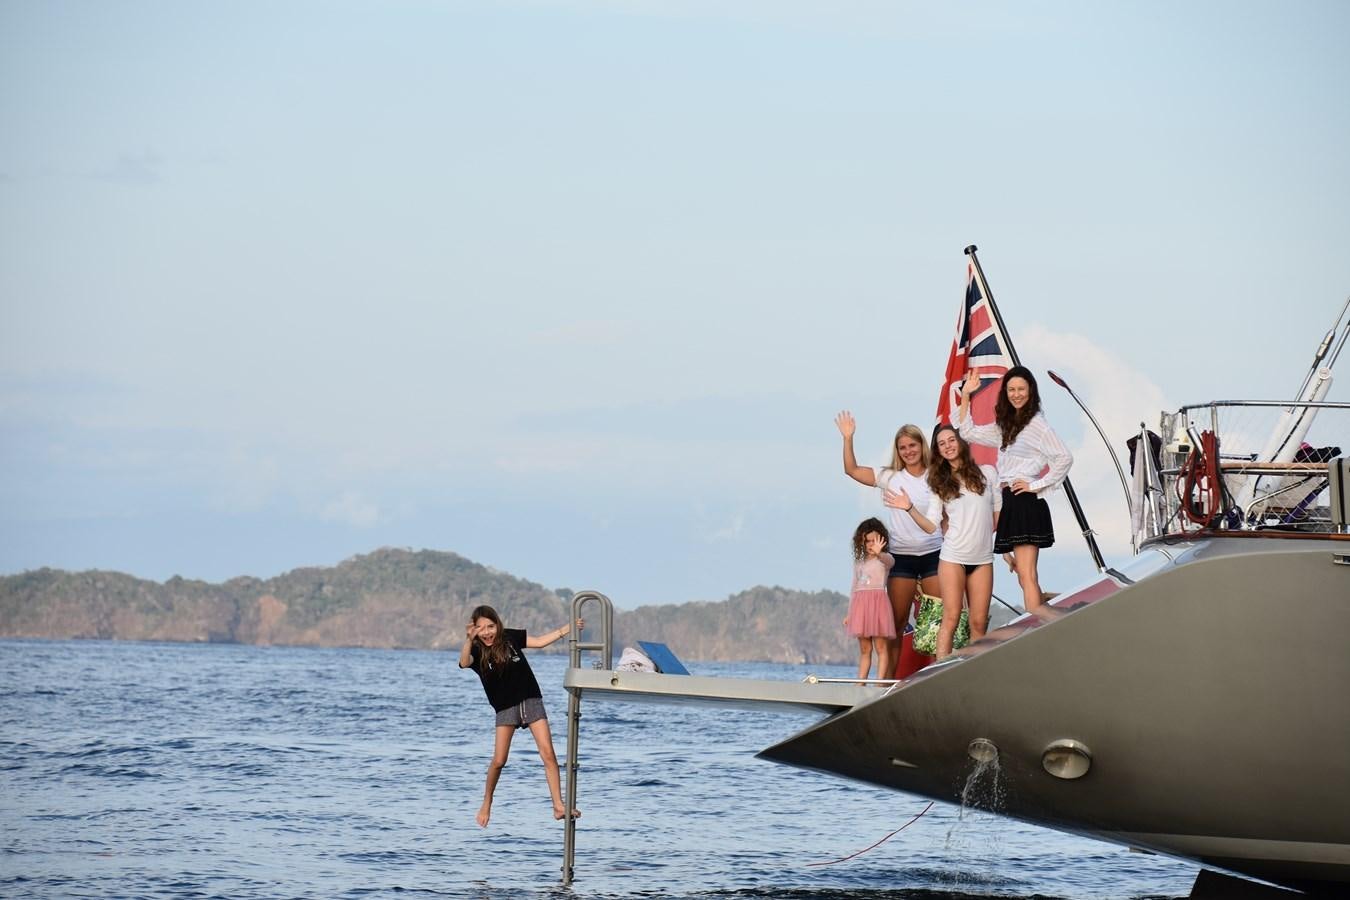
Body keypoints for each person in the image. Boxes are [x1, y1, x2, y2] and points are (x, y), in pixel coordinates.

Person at [957, 366, 1072, 616]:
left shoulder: (1037, 425)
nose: (1016, 394)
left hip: (1025, 499)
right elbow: (967, 432)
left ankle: (1038, 628)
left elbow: (1064, 458)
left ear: (1031, 391)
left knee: (1027, 573)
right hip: (1010, 499)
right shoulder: (1006, 426)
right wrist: (966, 395)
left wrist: (1035, 485)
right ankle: (1045, 616)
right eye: (1011, 389)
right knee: (1023, 574)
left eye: (1021, 389)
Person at [459, 604, 583, 827]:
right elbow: (464, 662)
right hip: (505, 708)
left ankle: (558, 805)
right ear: (474, 630)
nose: (487, 632)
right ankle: (487, 801)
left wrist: (568, 629)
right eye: (481, 628)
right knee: (499, 761)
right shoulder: (476, 650)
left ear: (497, 624)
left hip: (531, 700)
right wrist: (469, 640)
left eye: (490, 626)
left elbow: (541, 641)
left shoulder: (509, 637)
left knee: (548, 754)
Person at [885, 425, 1000, 659]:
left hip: (983, 558)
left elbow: (997, 514)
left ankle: (975, 672)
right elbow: (930, 526)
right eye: (942, 443)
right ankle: (940, 670)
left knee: (978, 623)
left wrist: (992, 544)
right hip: (953, 557)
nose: (948, 446)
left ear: (961, 442)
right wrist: (909, 507)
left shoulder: (988, 472)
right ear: (937, 450)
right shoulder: (939, 483)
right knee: (951, 617)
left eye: (951, 440)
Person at [834, 412, 943, 659]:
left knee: (935, 622)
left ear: (921, 445)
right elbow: (851, 470)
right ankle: (889, 682)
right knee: (895, 624)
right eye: (902, 447)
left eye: (912, 445)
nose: (908, 451)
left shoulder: (937, 475)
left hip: (934, 554)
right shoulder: (890, 477)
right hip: (901, 557)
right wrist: (848, 438)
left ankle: (937, 676)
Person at [845, 518, 896, 682]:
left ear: (882, 540)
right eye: (867, 541)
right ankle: (861, 684)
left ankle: (879, 684)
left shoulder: (884, 559)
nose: (870, 544)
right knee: (865, 649)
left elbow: (890, 562)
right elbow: (854, 589)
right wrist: (850, 614)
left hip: (878, 606)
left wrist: (880, 552)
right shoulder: (859, 563)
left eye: (874, 541)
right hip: (860, 609)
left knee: (881, 647)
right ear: (861, 541)